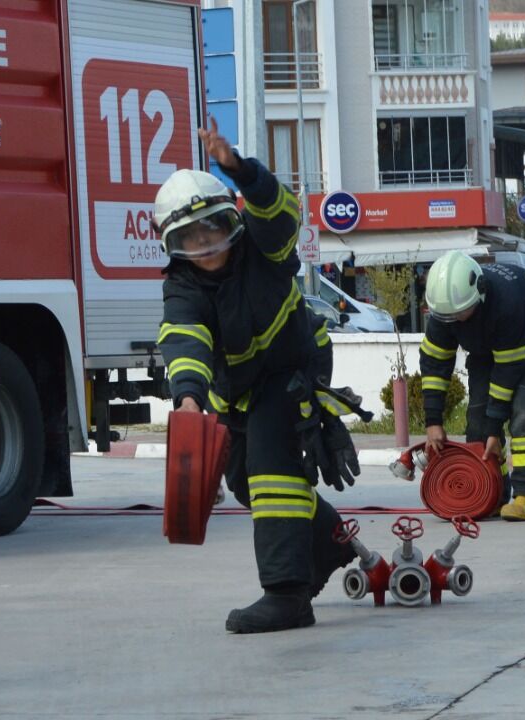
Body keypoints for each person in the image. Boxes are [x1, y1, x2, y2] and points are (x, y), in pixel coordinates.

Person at [155, 118, 359, 634]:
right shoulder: (182, 286)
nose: (206, 245)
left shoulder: (264, 248)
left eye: (213, 229)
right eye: (191, 237)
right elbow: (184, 341)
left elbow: (280, 210)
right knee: (247, 482)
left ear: (231, 223)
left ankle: (287, 595)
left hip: (293, 365)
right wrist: (187, 399)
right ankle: (330, 539)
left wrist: (238, 168)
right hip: (238, 387)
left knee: (272, 467)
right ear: (173, 245)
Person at [419, 251, 525, 521]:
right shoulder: (445, 311)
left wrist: (494, 428)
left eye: (460, 314)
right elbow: (434, 366)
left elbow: (508, 370)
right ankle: (491, 493)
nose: (454, 322)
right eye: (447, 317)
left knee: (524, 403)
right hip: (488, 340)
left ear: (479, 293)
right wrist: (433, 422)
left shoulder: (506, 303)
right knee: (477, 412)